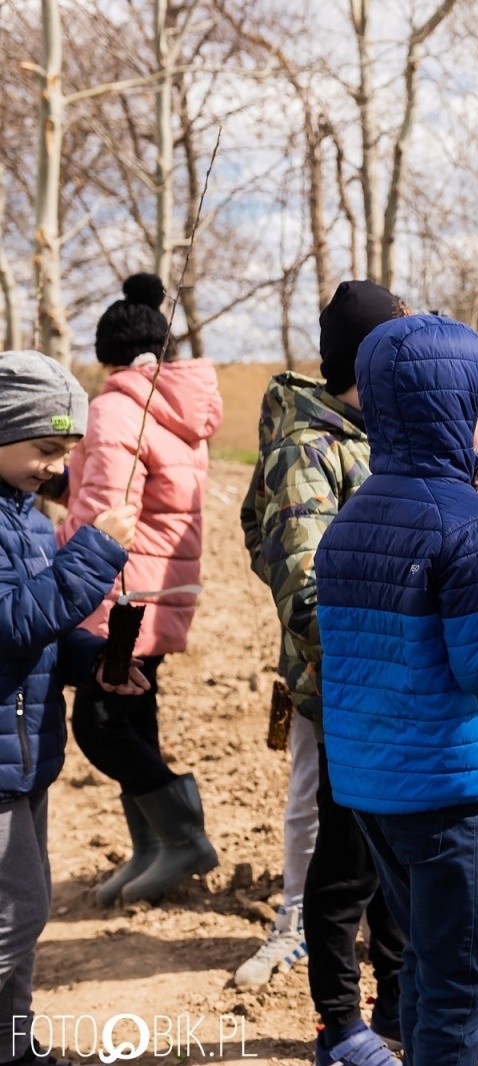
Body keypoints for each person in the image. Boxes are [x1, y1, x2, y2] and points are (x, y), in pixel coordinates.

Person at [315, 313, 478, 1066]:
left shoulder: (347, 520)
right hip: (449, 788)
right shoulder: (469, 522)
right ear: (454, 411)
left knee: (422, 955)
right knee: (456, 975)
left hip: (372, 784)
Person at [235, 281, 406, 1063]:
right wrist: (371, 665)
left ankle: (399, 1005)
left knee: (396, 860)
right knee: (344, 862)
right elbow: (300, 582)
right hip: (346, 688)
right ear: (365, 365)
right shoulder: (309, 449)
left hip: (401, 693)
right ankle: (339, 1023)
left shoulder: (390, 432)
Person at [57, 274, 223, 905]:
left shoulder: (115, 408)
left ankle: (182, 840)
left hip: (120, 590)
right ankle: (153, 848)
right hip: (167, 583)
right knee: (134, 713)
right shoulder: (178, 410)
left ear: (108, 356)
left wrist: (68, 576)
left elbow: (107, 508)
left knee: (99, 722)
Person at [1, 350, 144, 1066]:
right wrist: (93, 555)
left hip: (26, 754)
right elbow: (10, 622)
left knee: (24, 914)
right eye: (44, 449)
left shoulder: (26, 518)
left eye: (65, 452)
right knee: (14, 915)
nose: (55, 467)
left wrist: (96, 666)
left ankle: (14, 1044)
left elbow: (38, 637)